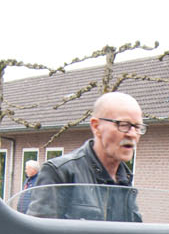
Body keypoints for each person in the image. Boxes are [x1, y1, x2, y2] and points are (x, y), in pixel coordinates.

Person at [27, 93, 143, 221]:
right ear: (96, 126)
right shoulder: (60, 172)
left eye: (137, 127)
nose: (132, 134)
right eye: (123, 125)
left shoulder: (125, 180)